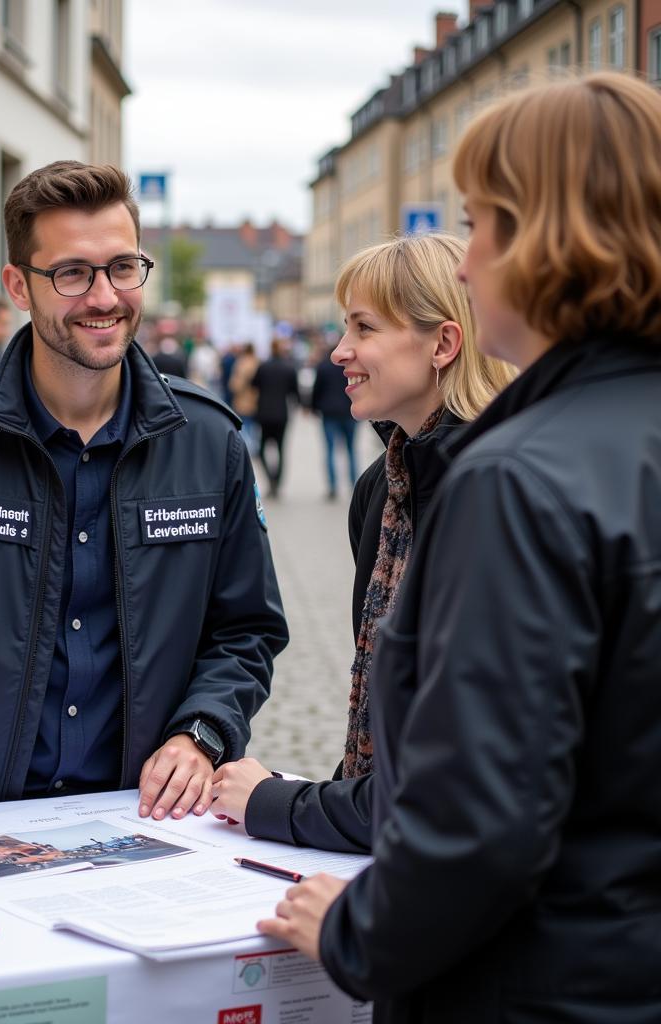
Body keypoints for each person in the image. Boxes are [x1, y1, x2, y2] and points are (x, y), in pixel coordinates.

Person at [258, 72, 661, 1023]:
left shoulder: (517, 477)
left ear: (548, 239)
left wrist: (359, 933)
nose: (470, 263)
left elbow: (479, 817)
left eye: (481, 224)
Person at [0, 161, 287, 821]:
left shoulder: (211, 443)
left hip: (142, 822)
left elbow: (247, 630)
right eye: (72, 273)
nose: (104, 297)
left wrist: (201, 732)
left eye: (123, 267)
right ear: (18, 285)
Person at [211, 233, 512, 854]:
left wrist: (275, 802)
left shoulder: (502, 493)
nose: (340, 351)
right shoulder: (383, 488)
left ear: (444, 343)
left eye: (364, 329)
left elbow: (466, 782)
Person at [252, 338, 300, 497]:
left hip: (264, 413)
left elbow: (254, 384)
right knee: (281, 449)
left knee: (261, 449)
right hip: (281, 414)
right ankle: (277, 481)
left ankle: (270, 478)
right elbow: (295, 392)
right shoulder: (289, 367)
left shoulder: (263, 366)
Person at [310, 339, 358, 500]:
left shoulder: (323, 366)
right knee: (351, 449)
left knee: (330, 450)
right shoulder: (351, 365)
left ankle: (332, 486)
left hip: (329, 412)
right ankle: (355, 484)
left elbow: (316, 389)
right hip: (349, 411)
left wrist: (313, 407)